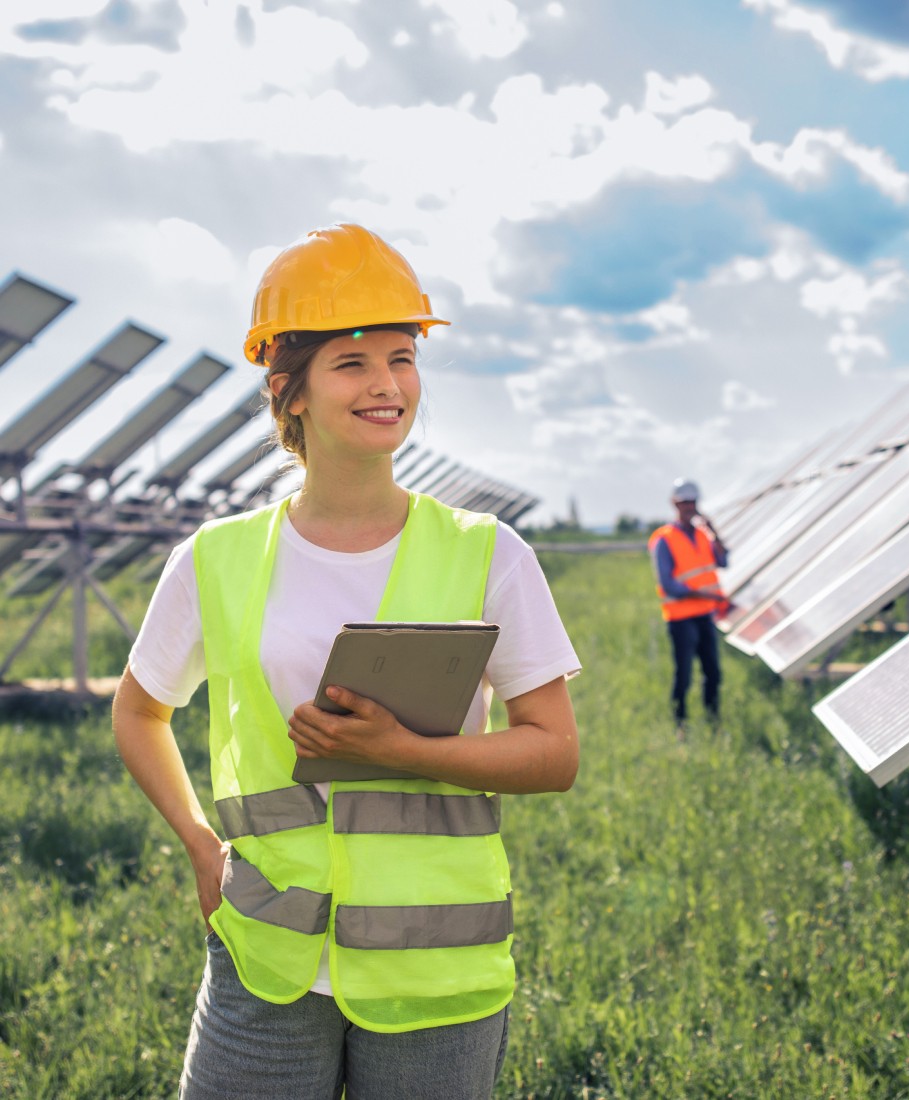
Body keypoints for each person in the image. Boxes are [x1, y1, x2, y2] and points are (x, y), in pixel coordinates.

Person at [111, 222, 580, 1100]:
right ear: (288, 392)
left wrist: (407, 751)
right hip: (266, 952)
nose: (388, 385)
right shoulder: (214, 558)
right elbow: (139, 711)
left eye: (402, 358)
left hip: (434, 972)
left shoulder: (490, 554)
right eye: (353, 363)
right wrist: (198, 845)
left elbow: (554, 752)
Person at [648, 478, 727, 739]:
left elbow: (723, 560)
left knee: (713, 672)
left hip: (704, 615)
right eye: (684, 503)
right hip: (681, 619)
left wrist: (714, 530)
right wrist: (698, 592)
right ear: (674, 504)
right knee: (684, 675)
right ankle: (680, 724)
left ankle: (713, 720)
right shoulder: (664, 539)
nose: (689, 507)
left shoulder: (704, 535)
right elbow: (668, 584)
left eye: (692, 502)